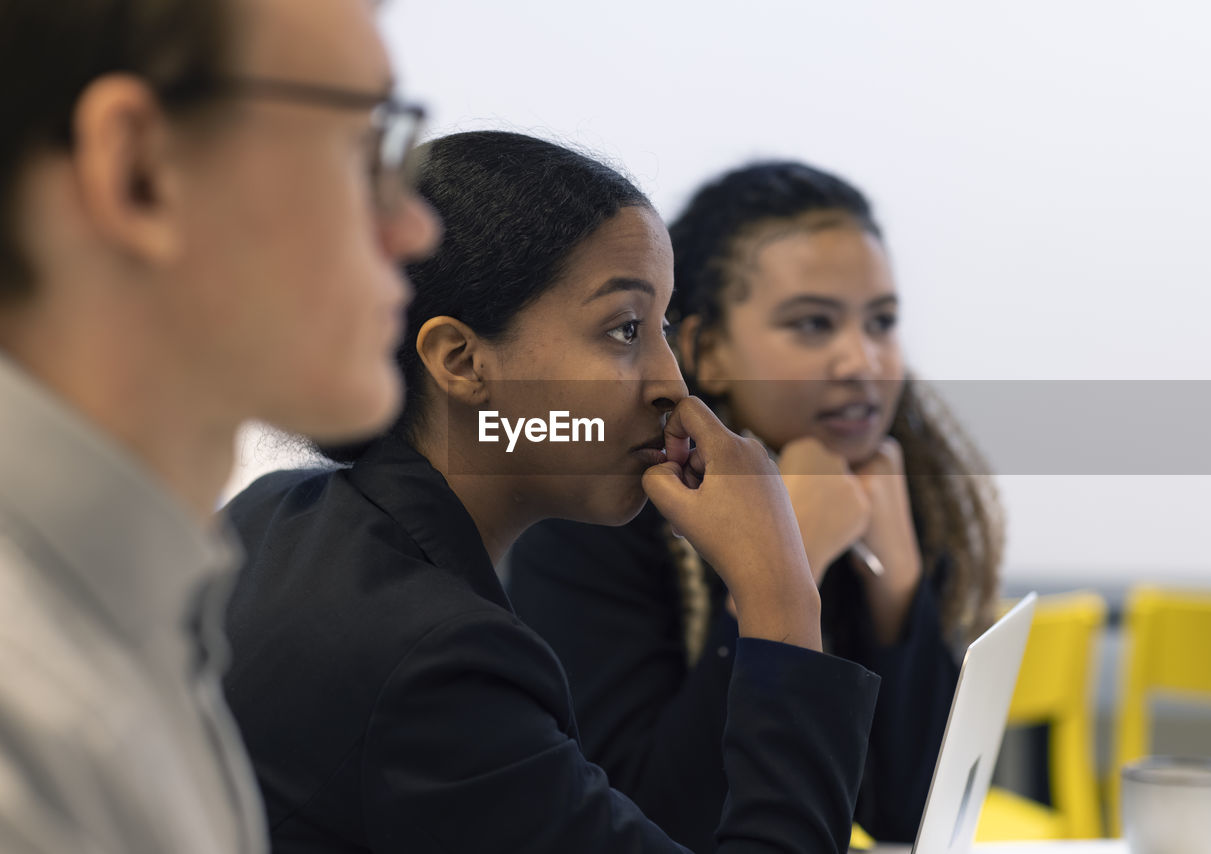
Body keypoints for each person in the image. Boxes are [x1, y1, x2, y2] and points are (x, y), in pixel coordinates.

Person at [219, 130, 881, 854]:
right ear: (462, 361)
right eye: (625, 329)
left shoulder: (275, 513)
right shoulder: (438, 665)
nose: (671, 382)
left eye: (662, 328)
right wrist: (782, 598)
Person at [0, 1, 440, 851]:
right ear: (140, 170)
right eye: (366, 148)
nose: (413, 226)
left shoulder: (143, 601)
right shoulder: (27, 735)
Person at [508, 161, 1005, 850]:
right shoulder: (602, 512)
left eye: (882, 321)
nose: (860, 360)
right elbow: (656, 819)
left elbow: (913, 820)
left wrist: (900, 587)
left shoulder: (871, 493)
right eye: (812, 325)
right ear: (707, 350)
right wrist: (775, 577)